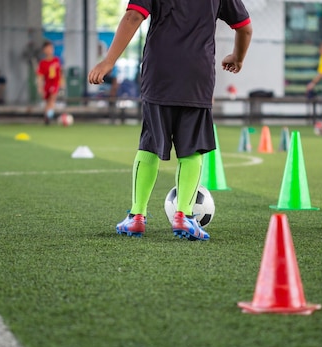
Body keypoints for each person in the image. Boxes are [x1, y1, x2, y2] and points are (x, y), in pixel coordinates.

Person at [88, 0, 252, 241]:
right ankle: (184, 217)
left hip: (159, 72)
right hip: (197, 76)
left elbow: (134, 16)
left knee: (150, 144)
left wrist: (109, 61)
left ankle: (136, 217)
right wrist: (238, 58)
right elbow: (245, 27)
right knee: (192, 149)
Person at [36, 40, 63, 125]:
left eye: (51, 48)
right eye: (47, 48)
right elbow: (40, 76)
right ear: (44, 50)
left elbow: (60, 72)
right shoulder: (42, 63)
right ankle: (47, 116)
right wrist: (40, 87)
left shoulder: (56, 60)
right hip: (46, 84)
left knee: (52, 99)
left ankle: (49, 116)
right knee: (48, 102)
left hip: (54, 83)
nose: (50, 50)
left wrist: (62, 82)